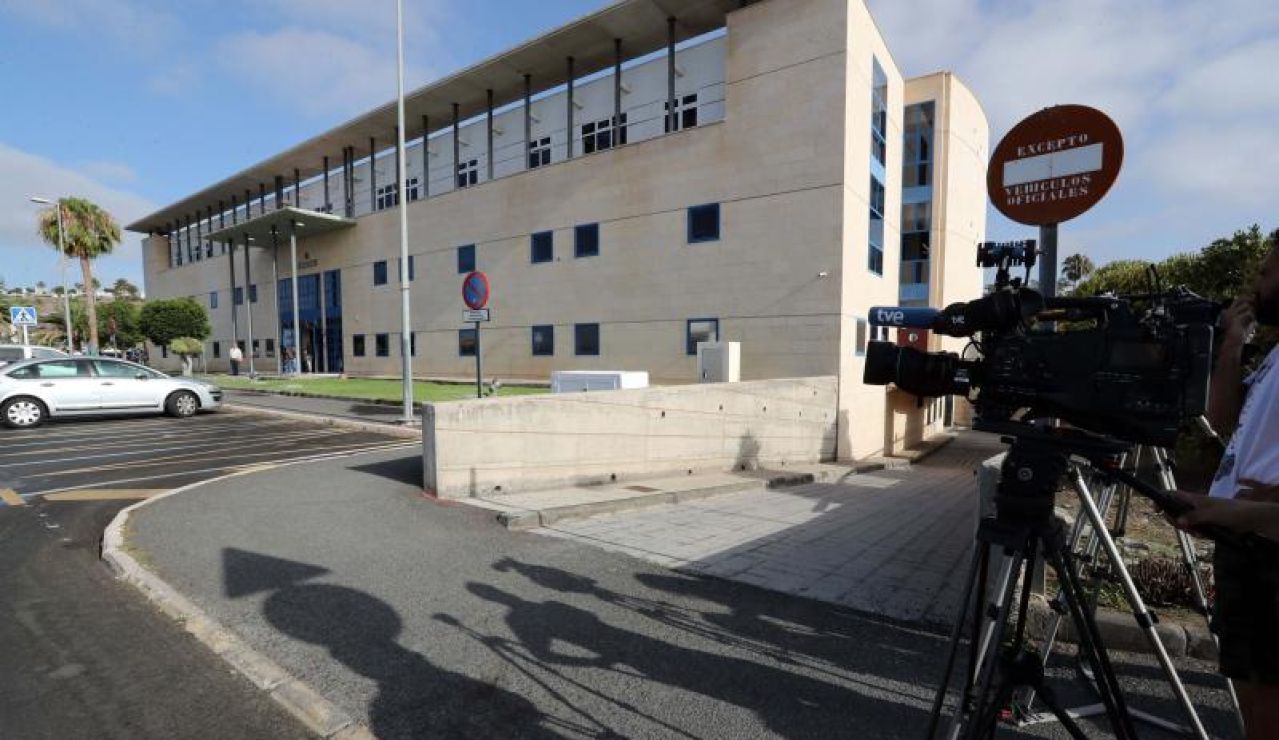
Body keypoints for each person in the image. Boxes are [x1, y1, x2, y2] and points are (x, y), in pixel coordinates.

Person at [1171, 238, 1279, 738]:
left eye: (1267, 271)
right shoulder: (1275, 355)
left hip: (1267, 548)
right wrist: (1233, 344)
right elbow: (1223, 421)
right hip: (1245, 543)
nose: (1256, 281)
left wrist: (1244, 513)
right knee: (1251, 701)